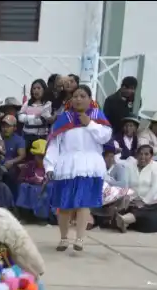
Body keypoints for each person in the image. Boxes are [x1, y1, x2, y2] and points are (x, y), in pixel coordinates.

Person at [44, 85, 113, 251]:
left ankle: (80, 239)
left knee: (84, 203)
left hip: (89, 166)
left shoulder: (97, 117)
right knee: (64, 205)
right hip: (67, 166)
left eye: (83, 96)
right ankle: (63, 238)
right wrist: (49, 167)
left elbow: (105, 138)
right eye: (75, 96)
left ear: (90, 100)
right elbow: (54, 145)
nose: (78, 99)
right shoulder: (64, 118)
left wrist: (89, 124)